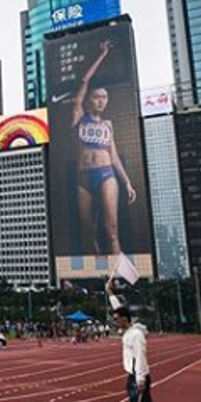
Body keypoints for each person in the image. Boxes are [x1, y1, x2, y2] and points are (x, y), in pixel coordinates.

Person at [72, 38, 137, 266]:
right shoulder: (79, 117)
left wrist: (127, 182)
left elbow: (115, 156)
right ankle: (99, 277)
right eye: (97, 96)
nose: (101, 101)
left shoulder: (108, 125)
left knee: (111, 230)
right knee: (87, 231)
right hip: (83, 178)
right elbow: (83, 80)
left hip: (106, 174)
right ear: (89, 99)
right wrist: (101, 55)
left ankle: (121, 278)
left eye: (104, 97)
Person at [105, 278, 169, 402]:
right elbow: (119, 309)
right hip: (134, 377)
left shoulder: (136, 335)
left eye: (117, 320)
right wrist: (110, 294)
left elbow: (140, 358)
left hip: (137, 379)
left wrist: (140, 380)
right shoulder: (127, 330)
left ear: (125, 320)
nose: (115, 322)